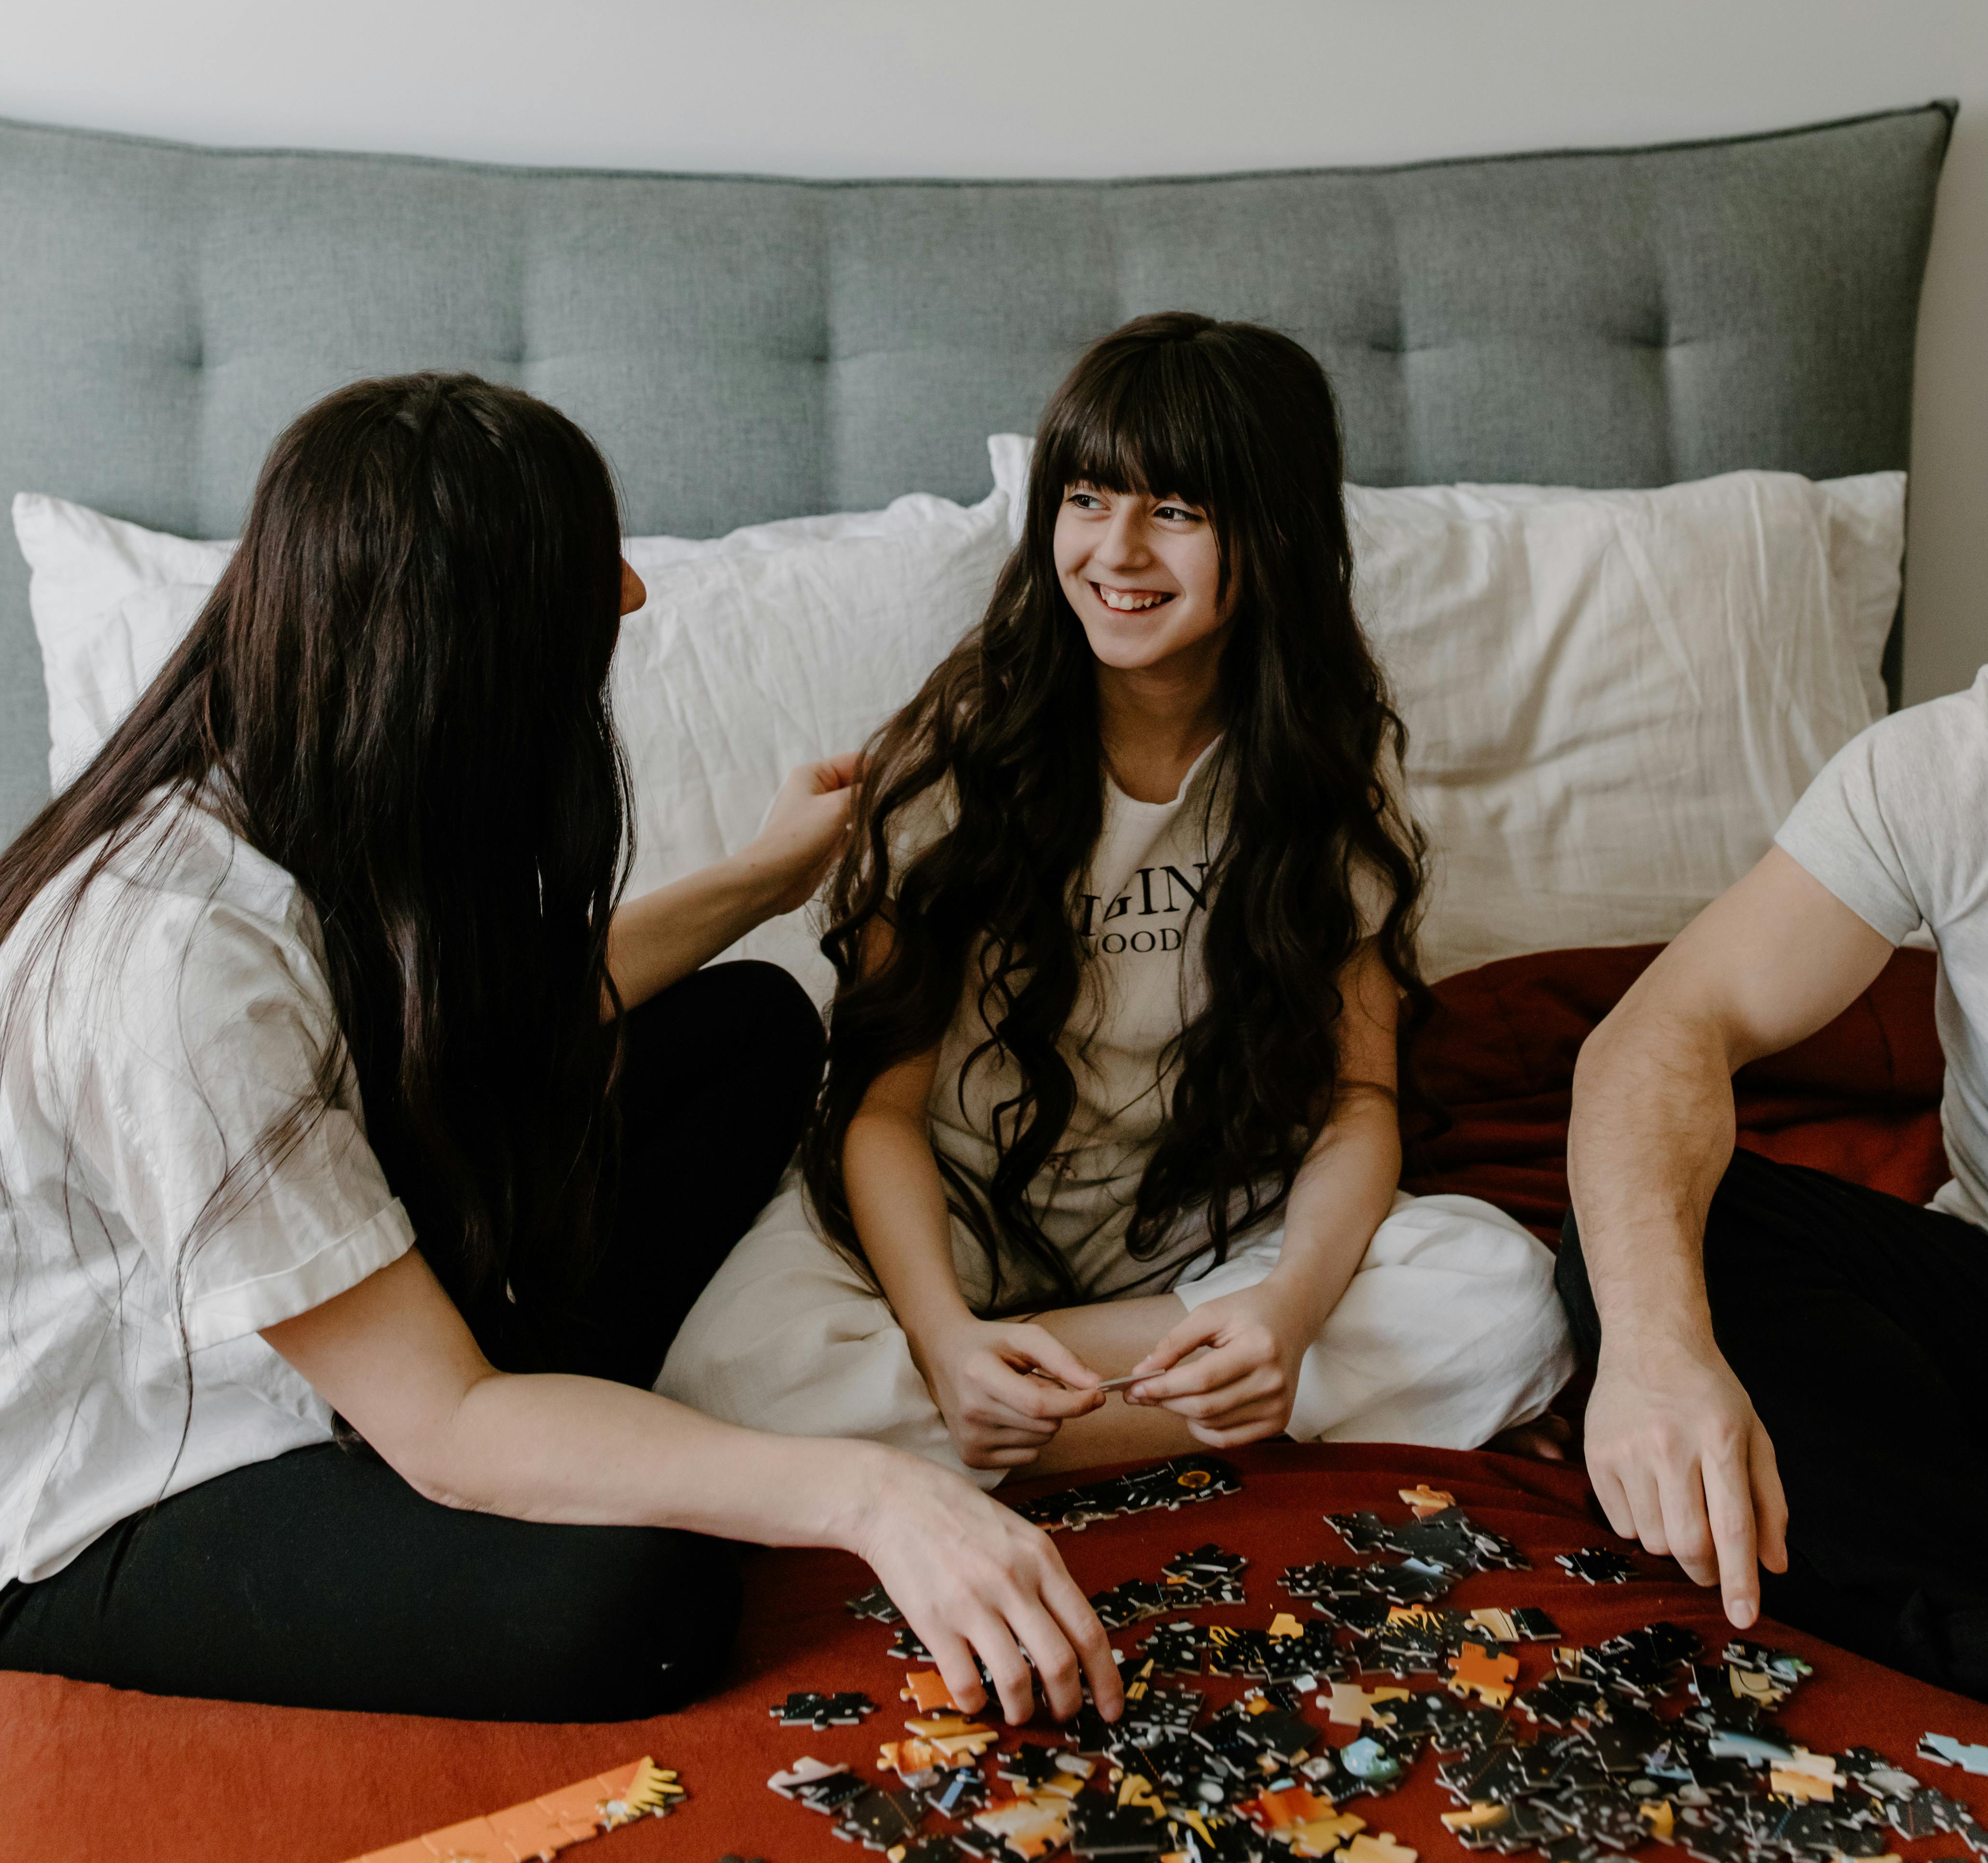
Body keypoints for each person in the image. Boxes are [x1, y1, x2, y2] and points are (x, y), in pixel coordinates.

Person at [0, 374, 1118, 1728]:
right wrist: (868, 1492)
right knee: (636, 1603)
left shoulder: (306, 764)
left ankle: (581, 1433)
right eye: (591, 576)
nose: (635, 598)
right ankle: (580, 1445)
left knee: (752, 1023)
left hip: (331, 1297)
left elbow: (485, 1024)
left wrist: (766, 880)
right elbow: (445, 1425)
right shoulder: (181, 965)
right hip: (124, 1475)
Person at [659, 313, 1572, 1476]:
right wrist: (942, 1339)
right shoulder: (949, 764)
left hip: (1204, 1223)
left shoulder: (1323, 769)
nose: (1117, 552)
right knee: (727, 1377)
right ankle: (1117, 1398)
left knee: (1505, 1295)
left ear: (1276, 532)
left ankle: (1020, 1414)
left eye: (1177, 512)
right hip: (955, 1216)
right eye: (1086, 499)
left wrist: (1286, 1313)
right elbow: (879, 1112)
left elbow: (1356, 1099)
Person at [1561, 383, 1988, 1756]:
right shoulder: (1953, 771)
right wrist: (1657, 1363)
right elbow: (1661, 1037)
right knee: (1677, 1232)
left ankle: (1976, 1643)